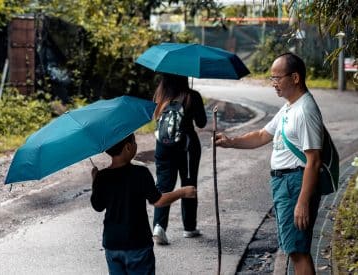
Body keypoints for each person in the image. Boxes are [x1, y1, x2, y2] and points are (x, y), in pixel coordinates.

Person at [215, 53, 323, 275]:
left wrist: (302, 202)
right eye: (271, 78)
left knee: (297, 251)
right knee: (294, 249)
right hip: (284, 184)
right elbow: (263, 135)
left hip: (294, 183)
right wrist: (230, 142)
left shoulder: (305, 111)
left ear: (295, 78)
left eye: (277, 78)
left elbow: (314, 161)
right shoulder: (289, 107)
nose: (273, 84)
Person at [90, 133, 197, 275]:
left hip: (112, 244)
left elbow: (98, 206)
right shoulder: (140, 173)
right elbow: (158, 200)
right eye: (134, 142)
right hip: (137, 243)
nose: (136, 145)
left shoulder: (102, 177)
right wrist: (182, 193)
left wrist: (94, 181)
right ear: (128, 148)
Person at [152, 73, 207, 245]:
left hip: (163, 146)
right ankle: (189, 227)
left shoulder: (160, 96)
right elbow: (201, 123)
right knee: (188, 183)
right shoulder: (192, 96)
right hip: (187, 147)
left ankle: (159, 227)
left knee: (163, 186)